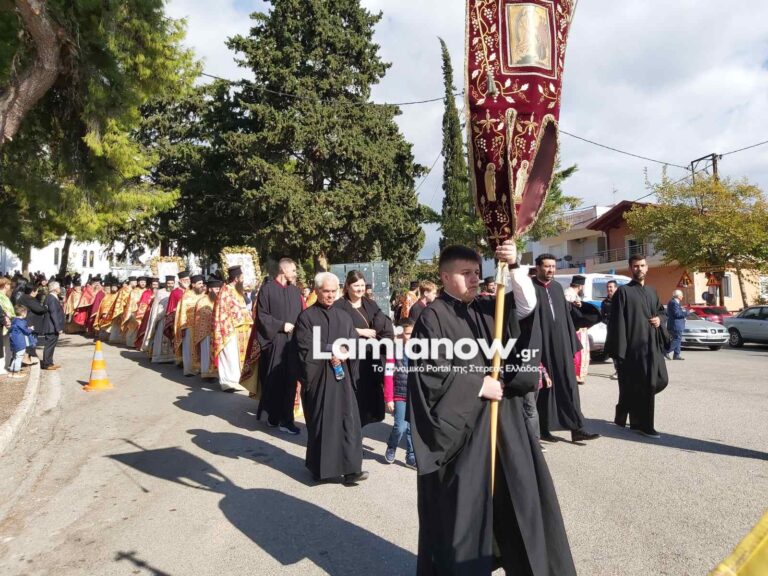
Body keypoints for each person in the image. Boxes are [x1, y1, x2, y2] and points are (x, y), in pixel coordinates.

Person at [408, 242, 576, 576]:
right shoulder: (432, 317)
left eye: (476, 273)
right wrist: (476, 384)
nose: (474, 279)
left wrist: (514, 266)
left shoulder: (489, 306)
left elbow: (527, 309)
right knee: (464, 514)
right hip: (463, 433)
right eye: (465, 273)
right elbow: (428, 372)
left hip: (504, 424)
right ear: (445, 277)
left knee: (520, 501)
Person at [295, 272, 367, 485]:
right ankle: (320, 469)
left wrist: (344, 352)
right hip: (319, 378)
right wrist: (332, 351)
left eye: (334, 291)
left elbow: (354, 342)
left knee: (348, 423)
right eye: (326, 291)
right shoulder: (306, 317)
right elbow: (305, 346)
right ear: (317, 291)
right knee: (322, 424)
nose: (330, 295)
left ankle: (352, 469)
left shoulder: (344, 316)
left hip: (342, 378)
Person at [532, 254, 599, 443]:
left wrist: (579, 309)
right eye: (547, 266)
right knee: (545, 389)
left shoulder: (556, 288)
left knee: (569, 386)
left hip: (561, 345)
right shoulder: (531, 288)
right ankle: (543, 429)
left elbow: (566, 317)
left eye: (553, 266)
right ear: (538, 267)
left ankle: (577, 428)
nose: (551, 270)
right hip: (542, 345)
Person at [607, 255, 669, 438]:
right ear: (630, 268)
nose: (639, 269)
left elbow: (661, 312)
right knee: (646, 386)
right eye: (635, 266)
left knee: (661, 380)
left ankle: (625, 406)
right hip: (634, 349)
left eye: (642, 265)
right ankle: (642, 425)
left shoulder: (652, 291)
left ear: (647, 267)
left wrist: (660, 319)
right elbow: (616, 322)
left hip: (653, 346)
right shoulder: (623, 292)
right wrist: (620, 352)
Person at [334, 270, 394, 427]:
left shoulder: (370, 304)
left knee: (369, 393)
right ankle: (352, 429)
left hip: (370, 355)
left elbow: (383, 323)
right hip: (352, 358)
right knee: (354, 394)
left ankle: (364, 424)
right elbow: (335, 327)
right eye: (356, 285)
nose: (360, 289)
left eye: (362, 285)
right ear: (347, 286)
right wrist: (359, 331)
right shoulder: (339, 305)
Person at [256, 258, 304, 432]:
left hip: (292, 342)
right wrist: (281, 325)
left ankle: (286, 420)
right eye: (293, 270)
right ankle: (273, 416)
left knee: (290, 380)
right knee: (274, 379)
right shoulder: (267, 290)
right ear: (283, 270)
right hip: (275, 342)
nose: (295, 274)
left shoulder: (295, 291)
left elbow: (302, 314)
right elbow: (262, 316)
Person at [213, 266, 253, 392]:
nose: (243, 280)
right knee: (229, 356)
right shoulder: (225, 290)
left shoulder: (238, 291)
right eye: (242, 278)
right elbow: (222, 311)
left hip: (241, 329)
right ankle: (227, 383)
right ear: (236, 278)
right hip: (229, 329)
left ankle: (237, 381)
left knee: (236, 357)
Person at [383, 317, 415, 468]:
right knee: (400, 426)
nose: (411, 337)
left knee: (412, 428)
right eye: (408, 333)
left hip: (415, 396)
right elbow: (389, 376)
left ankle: (411, 456)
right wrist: (388, 398)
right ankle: (392, 446)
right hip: (399, 394)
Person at [175, 275, 205, 375]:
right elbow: (182, 312)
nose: (202, 285)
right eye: (199, 283)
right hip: (189, 326)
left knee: (199, 348)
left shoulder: (203, 295)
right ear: (193, 285)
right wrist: (183, 326)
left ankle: (199, 368)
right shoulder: (186, 296)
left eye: (202, 283)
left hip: (201, 326)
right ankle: (189, 370)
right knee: (189, 348)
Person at [193, 279, 221, 380]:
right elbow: (201, 316)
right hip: (205, 332)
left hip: (216, 331)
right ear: (210, 289)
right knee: (206, 353)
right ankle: (206, 374)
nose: (218, 290)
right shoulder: (202, 301)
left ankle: (215, 373)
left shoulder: (219, 300)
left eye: (219, 288)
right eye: (216, 288)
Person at [564, 275, 590, 384]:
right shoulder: (569, 294)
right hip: (575, 328)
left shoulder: (570, 293)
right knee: (577, 352)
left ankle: (575, 375)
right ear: (580, 286)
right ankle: (575, 375)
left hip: (576, 328)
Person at [17, 285, 47, 365]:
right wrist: (45, 307)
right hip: (31, 323)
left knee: (29, 342)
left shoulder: (23, 297)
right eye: (36, 291)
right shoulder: (29, 298)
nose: (37, 293)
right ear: (32, 291)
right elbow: (40, 309)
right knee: (30, 342)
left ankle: (27, 359)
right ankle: (26, 359)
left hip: (27, 322)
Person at [39, 281, 64, 371]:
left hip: (51, 326)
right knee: (49, 346)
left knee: (51, 345)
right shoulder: (52, 298)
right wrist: (58, 328)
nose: (59, 288)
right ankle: (47, 364)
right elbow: (54, 314)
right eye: (58, 287)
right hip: (51, 327)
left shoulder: (51, 297)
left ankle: (50, 362)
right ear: (54, 288)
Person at [150, 276, 176, 363]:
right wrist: (157, 316)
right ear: (165, 283)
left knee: (171, 337)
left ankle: (171, 357)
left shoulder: (176, 292)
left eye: (172, 283)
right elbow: (156, 305)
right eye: (168, 283)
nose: (170, 285)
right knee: (160, 336)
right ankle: (159, 357)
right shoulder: (160, 292)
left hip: (172, 319)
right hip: (162, 318)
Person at [163, 271, 190, 353]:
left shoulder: (192, 291)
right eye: (185, 280)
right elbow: (171, 308)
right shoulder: (175, 292)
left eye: (188, 280)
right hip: (178, 319)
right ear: (180, 281)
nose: (187, 282)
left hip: (190, 319)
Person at [9, 305, 36, 378]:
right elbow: (26, 331)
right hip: (19, 342)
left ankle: (12, 372)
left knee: (15, 357)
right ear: (23, 313)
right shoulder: (21, 322)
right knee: (19, 357)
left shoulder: (14, 320)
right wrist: (31, 329)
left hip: (14, 341)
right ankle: (16, 373)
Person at [133, 278, 158, 350]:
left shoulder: (159, 292)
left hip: (156, 313)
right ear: (150, 285)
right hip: (147, 314)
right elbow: (143, 304)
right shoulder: (146, 293)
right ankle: (142, 345)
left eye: (156, 284)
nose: (155, 286)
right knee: (144, 329)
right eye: (153, 284)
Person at [122, 277, 146, 348]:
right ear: (138, 283)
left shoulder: (147, 291)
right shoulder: (134, 291)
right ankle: (131, 343)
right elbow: (131, 302)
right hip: (134, 311)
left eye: (144, 282)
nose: (143, 283)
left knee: (142, 328)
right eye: (141, 282)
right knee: (133, 328)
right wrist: (132, 311)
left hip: (144, 312)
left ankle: (140, 344)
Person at [602, 280, 619, 379]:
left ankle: (623, 370)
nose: (609, 289)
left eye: (611, 287)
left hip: (621, 330)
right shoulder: (605, 302)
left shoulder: (620, 299)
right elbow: (603, 316)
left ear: (616, 288)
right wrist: (608, 322)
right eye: (608, 287)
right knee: (613, 351)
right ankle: (618, 370)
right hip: (611, 330)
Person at [666, 289, 686, 361]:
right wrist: (687, 312)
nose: (682, 296)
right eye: (682, 295)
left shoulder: (675, 302)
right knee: (677, 339)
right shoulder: (674, 303)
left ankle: (676, 355)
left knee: (678, 339)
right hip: (675, 325)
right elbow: (677, 314)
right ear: (678, 296)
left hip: (676, 325)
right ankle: (666, 351)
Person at [0, 278, 15, 371]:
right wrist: (6, 317)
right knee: (3, 346)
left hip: (8, 322)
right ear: (5, 285)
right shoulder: (1, 297)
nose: (10, 286)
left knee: (7, 346)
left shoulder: (5, 296)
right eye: (8, 284)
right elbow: (3, 310)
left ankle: (5, 366)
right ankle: (2, 367)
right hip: (4, 322)